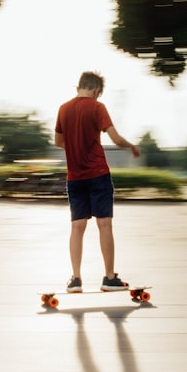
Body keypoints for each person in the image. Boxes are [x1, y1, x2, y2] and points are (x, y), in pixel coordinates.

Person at [54, 71, 140, 293]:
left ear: (78, 87)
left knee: (77, 227)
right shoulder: (97, 107)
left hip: (75, 177)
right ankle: (109, 278)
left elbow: (58, 141)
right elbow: (116, 139)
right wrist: (131, 146)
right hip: (98, 173)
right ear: (96, 90)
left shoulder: (63, 109)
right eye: (98, 93)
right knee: (104, 224)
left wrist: (75, 146)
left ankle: (75, 279)